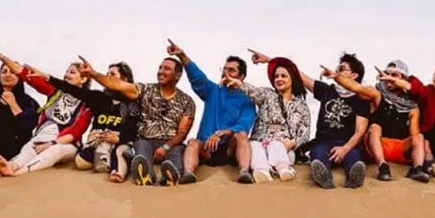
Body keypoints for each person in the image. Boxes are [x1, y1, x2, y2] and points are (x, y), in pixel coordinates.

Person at [250, 49, 370, 189]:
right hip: (322, 141)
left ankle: (354, 178)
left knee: (354, 157)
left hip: (346, 143)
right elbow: (300, 76)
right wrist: (269, 60)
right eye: (337, 67)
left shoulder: (361, 99)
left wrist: (344, 149)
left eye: (342, 69)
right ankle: (325, 179)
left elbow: (359, 131)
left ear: (354, 75)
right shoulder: (327, 90)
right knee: (318, 156)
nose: (337, 71)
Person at [82, 49, 195, 187]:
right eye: (160, 68)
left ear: (177, 75)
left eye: (166, 69)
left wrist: (165, 147)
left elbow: (182, 133)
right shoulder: (145, 90)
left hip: (170, 142)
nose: (160, 71)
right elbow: (118, 84)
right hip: (145, 139)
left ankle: (170, 176)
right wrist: (93, 74)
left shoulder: (187, 101)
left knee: (176, 153)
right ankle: (145, 175)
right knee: (141, 149)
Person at [0, 47, 93, 177]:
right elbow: (24, 73)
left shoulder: (87, 104)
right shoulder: (55, 91)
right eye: (66, 72)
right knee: (29, 149)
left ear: (83, 79)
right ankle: (11, 166)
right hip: (42, 136)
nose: (66, 75)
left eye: (72, 72)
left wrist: (51, 143)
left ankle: (17, 173)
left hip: (66, 144)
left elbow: (76, 131)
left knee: (54, 151)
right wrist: (1, 57)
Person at [166, 40, 257, 184]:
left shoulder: (248, 100)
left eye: (231, 70)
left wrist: (221, 133)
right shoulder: (213, 91)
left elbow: (244, 124)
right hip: (207, 149)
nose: (225, 73)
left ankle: (244, 172)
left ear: (241, 77)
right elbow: (197, 78)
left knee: (242, 135)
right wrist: (182, 55)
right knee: (193, 142)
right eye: (224, 69)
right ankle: (188, 173)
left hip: (230, 149)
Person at [325, 58, 428, 182]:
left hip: (399, 147)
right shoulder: (378, 94)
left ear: (403, 79)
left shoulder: (412, 107)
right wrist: (336, 77)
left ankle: (417, 169)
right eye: (387, 74)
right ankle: (383, 167)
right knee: (375, 127)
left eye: (394, 75)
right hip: (377, 146)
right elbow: (357, 88)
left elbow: (413, 135)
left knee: (419, 137)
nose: (388, 77)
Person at [47, 61, 139, 183]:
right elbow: (72, 89)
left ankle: (117, 171)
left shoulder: (132, 103)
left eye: (112, 74)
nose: (107, 77)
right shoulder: (99, 97)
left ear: (124, 79)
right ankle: (105, 159)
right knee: (81, 162)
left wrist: (119, 138)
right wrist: (48, 78)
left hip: (119, 142)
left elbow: (134, 129)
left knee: (119, 152)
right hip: (97, 140)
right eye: (107, 73)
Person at [226, 56, 311, 183]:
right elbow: (253, 91)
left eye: (283, 76)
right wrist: (239, 84)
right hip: (260, 142)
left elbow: (305, 132)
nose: (279, 79)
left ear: (292, 78)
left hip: (284, 147)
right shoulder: (267, 95)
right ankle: (262, 171)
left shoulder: (301, 105)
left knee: (275, 145)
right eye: (276, 76)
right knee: (253, 145)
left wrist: (293, 142)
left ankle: (284, 170)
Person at [381, 60, 435, 176]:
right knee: (424, 141)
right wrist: (393, 80)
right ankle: (429, 167)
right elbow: (411, 86)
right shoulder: (428, 91)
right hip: (432, 141)